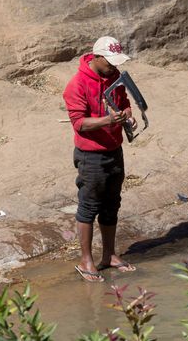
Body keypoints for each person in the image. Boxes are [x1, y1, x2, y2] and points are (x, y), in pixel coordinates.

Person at [63, 36, 137, 282]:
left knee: (111, 204)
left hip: (114, 150)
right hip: (91, 155)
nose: (114, 67)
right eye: (110, 62)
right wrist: (107, 121)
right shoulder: (77, 85)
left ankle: (110, 255)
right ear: (97, 57)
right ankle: (86, 261)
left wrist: (127, 116)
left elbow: (124, 103)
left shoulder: (115, 77)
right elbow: (79, 124)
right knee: (89, 206)